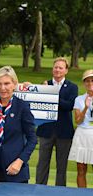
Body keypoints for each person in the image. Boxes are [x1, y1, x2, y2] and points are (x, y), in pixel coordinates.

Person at [0, 66, 37, 183]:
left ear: (14, 84)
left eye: (7, 83)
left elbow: (32, 139)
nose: (3, 88)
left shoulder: (22, 107)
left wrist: (20, 161)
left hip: (15, 170)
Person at [36, 57, 78, 186]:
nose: (57, 70)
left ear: (66, 70)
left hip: (64, 132)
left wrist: (51, 93)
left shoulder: (72, 87)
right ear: (52, 69)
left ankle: (60, 191)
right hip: (45, 130)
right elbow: (38, 104)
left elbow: (69, 106)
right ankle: (39, 188)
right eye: (55, 67)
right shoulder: (44, 84)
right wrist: (43, 90)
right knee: (42, 163)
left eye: (61, 68)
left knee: (62, 165)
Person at [68, 69, 93, 188]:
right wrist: (86, 108)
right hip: (82, 134)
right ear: (84, 83)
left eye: (92, 80)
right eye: (87, 81)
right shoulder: (79, 99)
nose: (90, 83)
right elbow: (77, 120)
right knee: (81, 168)